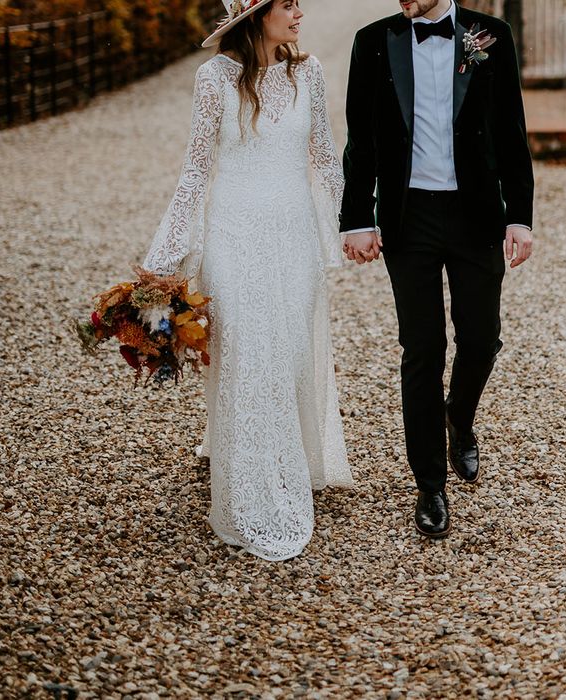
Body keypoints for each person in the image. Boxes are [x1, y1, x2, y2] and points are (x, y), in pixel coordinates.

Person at [143, 0, 354, 561]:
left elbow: (327, 157)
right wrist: (163, 258)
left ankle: (291, 459)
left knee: (285, 353)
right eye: (288, 4)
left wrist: (361, 221)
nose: (299, 12)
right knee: (247, 354)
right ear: (257, 16)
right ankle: (250, 489)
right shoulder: (213, 78)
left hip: (294, 240)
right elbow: (194, 169)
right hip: (233, 237)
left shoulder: (307, 72)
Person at [340, 0, 534, 538]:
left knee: (482, 338)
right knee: (421, 347)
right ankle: (429, 485)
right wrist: (356, 217)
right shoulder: (373, 40)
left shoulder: (489, 34)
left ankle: (460, 417)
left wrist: (519, 216)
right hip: (409, 216)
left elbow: (511, 128)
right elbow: (361, 137)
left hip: (475, 214)